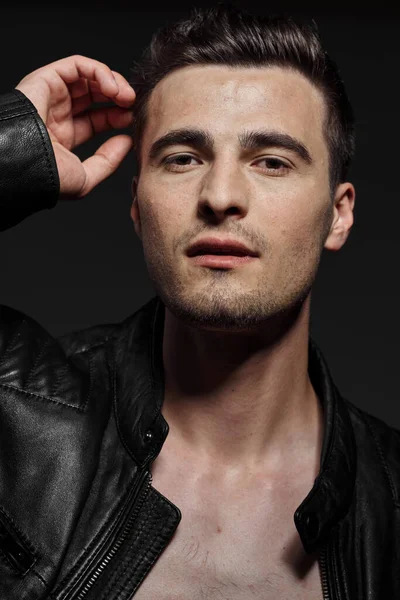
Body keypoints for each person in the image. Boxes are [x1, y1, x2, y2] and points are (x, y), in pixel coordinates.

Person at [0, 3, 399, 599]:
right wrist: (11, 148)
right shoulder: (15, 416)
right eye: (183, 158)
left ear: (337, 214)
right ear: (137, 205)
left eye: (271, 162)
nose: (220, 195)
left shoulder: (391, 502)